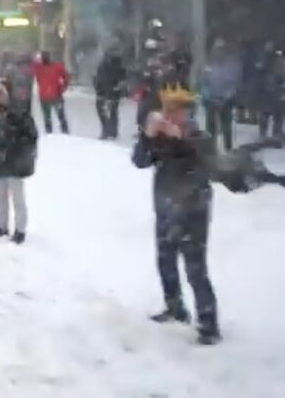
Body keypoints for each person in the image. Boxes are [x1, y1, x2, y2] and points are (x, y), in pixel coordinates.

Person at [132, 85, 220, 344]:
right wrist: (147, 136)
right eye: (168, 109)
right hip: (166, 208)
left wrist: (181, 136)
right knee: (165, 260)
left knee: (195, 268)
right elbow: (139, 161)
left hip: (193, 210)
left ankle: (209, 323)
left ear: (188, 112)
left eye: (177, 110)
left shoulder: (199, 136)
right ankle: (175, 306)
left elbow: (207, 159)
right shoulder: (160, 137)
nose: (170, 115)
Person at [0, 82, 38, 244]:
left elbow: (30, 135)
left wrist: (18, 150)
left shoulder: (18, 113)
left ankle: (20, 230)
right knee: (0, 197)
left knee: (18, 199)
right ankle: (2, 226)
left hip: (14, 162)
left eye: (0, 94)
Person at [197, 40, 240, 152]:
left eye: (221, 50)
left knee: (226, 127)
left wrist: (226, 97)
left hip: (226, 102)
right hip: (210, 101)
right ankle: (210, 149)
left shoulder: (231, 67)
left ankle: (228, 149)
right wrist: (208, 96)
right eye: (216, 50)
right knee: (211, 128)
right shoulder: (207, 66)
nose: (218, 53)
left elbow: (234, 84)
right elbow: (202, 83)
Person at [31, 51, 70, 134]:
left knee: (52, 117)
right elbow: (66, 77)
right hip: (52, 96)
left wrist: (62, 88)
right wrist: (62, 88)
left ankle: (53, 133)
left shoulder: (40, 68)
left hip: (50, 96)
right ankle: (62, 133)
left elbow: (66, 77)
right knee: (56, 116)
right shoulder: (42, 67)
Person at [94, 47, 129, 140]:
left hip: (104, 92)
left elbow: (100, 79)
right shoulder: (119, 65)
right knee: (113, 111)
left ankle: (106, 131)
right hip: (114, 92)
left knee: (102, 112)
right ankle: (113, 131)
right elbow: (123, 78)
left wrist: (98, 89)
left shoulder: (104, 65)